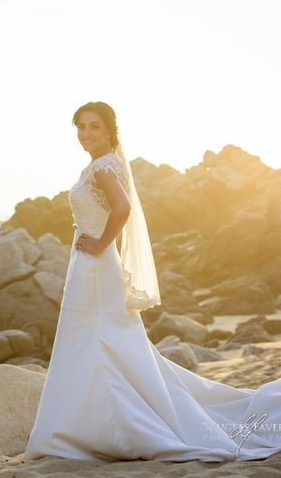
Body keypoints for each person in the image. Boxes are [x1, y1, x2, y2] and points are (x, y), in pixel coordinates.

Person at [24, 102, 281, 462]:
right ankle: (90, 424)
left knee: (98, 340)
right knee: (104, 342)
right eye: (80, 126)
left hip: (96, 267)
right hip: (92, 266)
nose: (86, 134)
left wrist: (100, 243)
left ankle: (103, 426)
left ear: (110, 130)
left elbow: (123, 208)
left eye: (94, 126)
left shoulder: (103, 167)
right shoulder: (101, 164)